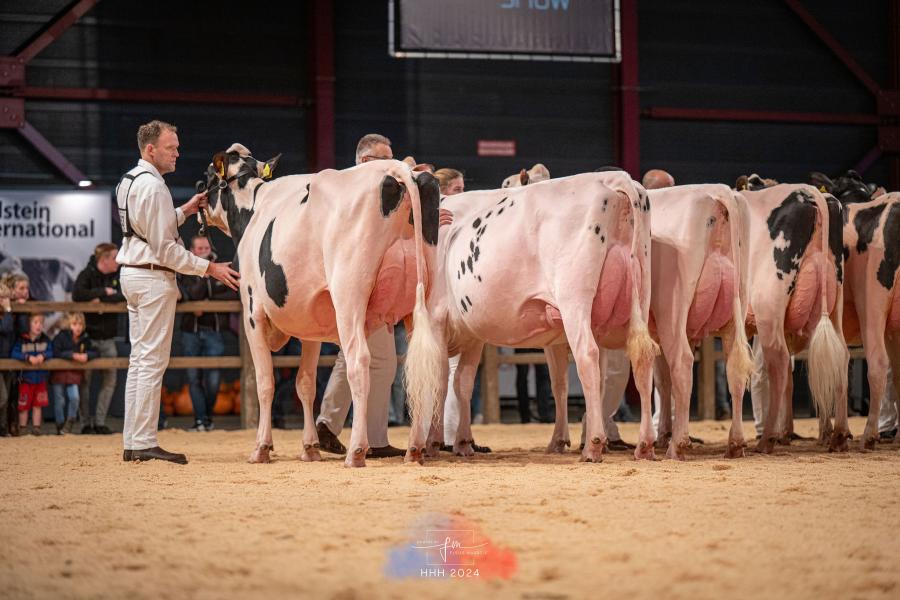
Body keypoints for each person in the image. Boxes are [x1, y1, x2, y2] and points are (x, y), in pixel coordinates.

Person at [116, 119, 239, 464]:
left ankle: (134, 439)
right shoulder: (154, 187)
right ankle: (143, 441)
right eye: (171, 148)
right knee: (152, 363)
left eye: (177, 147)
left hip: (134, 274)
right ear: (150, 149)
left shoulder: (130, 180)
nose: (177, 153)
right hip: (153, 277)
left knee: (141, 361)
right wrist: (210, 268)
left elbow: (149, 226)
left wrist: (184, 211)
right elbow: (165, 248)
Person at [315, 133, 405, 458]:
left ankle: (329, 423)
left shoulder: (348, 189)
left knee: (355, 356)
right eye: (386, 160)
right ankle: (372, 438)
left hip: (357, 286)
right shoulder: (354, 193)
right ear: (366, 162)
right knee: (377, 361)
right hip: (350, 287)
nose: (392, 166)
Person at [178, 234, 237, 432]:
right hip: (190, 332)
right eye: (200, 249)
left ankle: (207, 418)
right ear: (192, 251)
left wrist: (208, 302)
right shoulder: (183, 269)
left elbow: (234, 291)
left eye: (206, 248)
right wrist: (205, 273)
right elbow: (190, 294)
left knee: (213, 379)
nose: (204, 252)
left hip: (215, 331)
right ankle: (200, 421)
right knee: (193, 378)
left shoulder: (223, 267)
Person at [72, 243, 125, 435]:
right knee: (84, 382)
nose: (119, 261)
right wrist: (103, 292)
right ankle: (85, 423)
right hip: (88, 338)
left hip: (109, 337)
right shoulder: (87, 275)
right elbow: (77, 294)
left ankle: (100, 422)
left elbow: (123, 295)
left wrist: (99, 299)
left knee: (110, 381)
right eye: (115, 257)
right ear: (105, 259)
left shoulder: (119, 275)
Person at [50, 312, 97, 434]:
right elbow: (55, 351)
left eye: (80, 324)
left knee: (75, 398)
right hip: (59, 373)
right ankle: (60, 426)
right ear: (69, 325)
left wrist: (87, 355)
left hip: (74, 375)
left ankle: (69, 423)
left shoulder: (85, 338)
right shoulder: (61, 336)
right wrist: (72, 355)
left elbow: (95, 351)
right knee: (59, 400)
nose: (78, 327)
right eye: (75, 324)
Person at [11, 313, 53, 435]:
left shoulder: (45, 339)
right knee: (23, 406)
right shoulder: (22, 339)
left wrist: (43, 356)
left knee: (37, 405)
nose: (38, 325)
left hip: (40, 379)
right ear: (28, 324)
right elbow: (14, 353)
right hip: (25, 379)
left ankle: (36, 428)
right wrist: (27, 357)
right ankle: (23, 428)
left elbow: (51, 351)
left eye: (40, 323)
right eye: (35, 322)